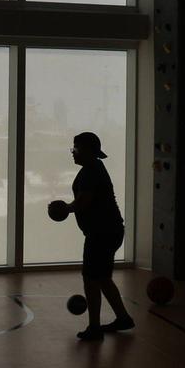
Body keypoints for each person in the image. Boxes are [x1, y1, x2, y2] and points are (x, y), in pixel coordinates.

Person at [50, 131, 134, 341]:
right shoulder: (95, 168)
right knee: (103, 278)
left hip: (101, 233)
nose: (73, 153)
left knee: (91, 278)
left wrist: (64, 209)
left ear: (87, 151)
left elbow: (83, 202)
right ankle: (123, 318)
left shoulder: (90, 172)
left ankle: (94, 327)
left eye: (75, 149)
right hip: (109, 230)